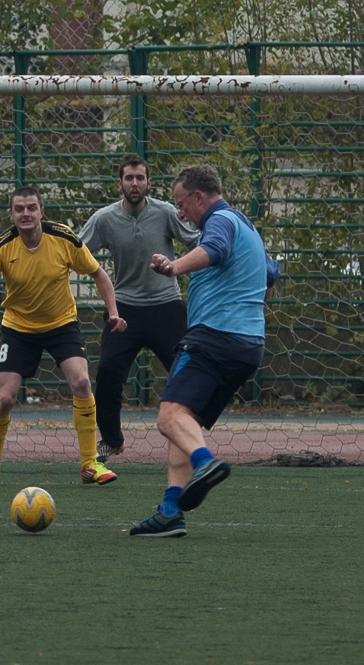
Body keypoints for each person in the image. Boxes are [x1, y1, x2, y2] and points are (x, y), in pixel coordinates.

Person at [129, 165, 279, 537]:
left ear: (199, 197)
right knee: (185, 421)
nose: (180, 213)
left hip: (212, 339)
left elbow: (214, 250)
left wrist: (173, 267)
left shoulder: (220, 220)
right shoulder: (247, 227)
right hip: (248, 346)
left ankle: (205, 463)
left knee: (168, 417)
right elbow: (271, 273)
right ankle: (169, 512)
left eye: (182, 204)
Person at [0, 187, 127, 487]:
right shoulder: (1, 247)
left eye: (31, 208)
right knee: (6, 397)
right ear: (11, 214)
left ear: (41, 211)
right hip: (18, 328)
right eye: (19, 209)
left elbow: (99, 273)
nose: (26, 213)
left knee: (82, 382)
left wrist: (113, 312)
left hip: (61, 324)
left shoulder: (64, 238)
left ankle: (89, 464)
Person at [79, 154, 200, 463]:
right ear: (119, 183)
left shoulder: (166, 212)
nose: (135, 183)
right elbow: (73, 251)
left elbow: (198, 243)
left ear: (149, 183)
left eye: (140, 178)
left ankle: (189, 438)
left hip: (166, 306)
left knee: (187, 371)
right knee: (107, 372)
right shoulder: (104, 219)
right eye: (129, 178)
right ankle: (112, 440)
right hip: (124, 310)